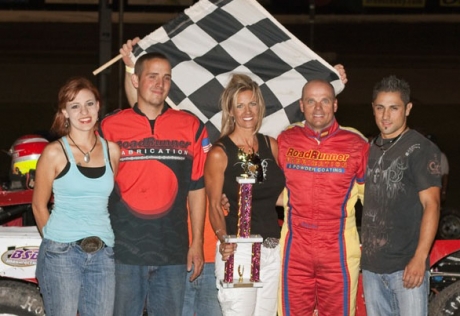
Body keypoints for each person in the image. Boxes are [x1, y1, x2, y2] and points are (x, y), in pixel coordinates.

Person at [100, 51, 208, 316]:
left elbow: (197, 189)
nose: (160, 84)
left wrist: (196, 245)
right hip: (122, 252)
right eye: (152, 76)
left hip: (173, 252)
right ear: (135, 80)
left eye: (166, 78)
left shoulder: (190, 125)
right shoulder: (109, 127)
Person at [277, 79, 369, 316]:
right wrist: (234, 198)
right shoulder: (285, 140)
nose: (318, 108)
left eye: (325, 100)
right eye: (311, 101)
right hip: (295, 251)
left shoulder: (356, 144)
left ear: (335, 104)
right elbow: (265, 187)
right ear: (301, 105)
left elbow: (375, 203)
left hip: (338, 253)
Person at [32, 77, 120, 316]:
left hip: (103, 254)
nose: (84, 112)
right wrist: (54, 241)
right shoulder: (53, 153)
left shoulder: (112, 150)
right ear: (64, 113)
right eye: (75, 106)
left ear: (98, 106)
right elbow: (39, 205)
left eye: (89, 103)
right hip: (62, 255)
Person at [205, 74, 286, 316]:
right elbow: (214, 205)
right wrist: (223, 238)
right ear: (231, 110)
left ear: (260, 106)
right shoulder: (220, 153)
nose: (247, 111)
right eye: (240, 105)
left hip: (273, 249)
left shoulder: (271, 145)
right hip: (239, 249)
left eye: (252, 103)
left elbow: (278, 195)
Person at [360, 75, 442, 315]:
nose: (386, 116)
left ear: (407, 109)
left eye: (393, 108)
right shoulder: (368, 148)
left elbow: (432, 206)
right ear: (373, 109)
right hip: (372, 268)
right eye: (380, 108)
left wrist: (420, 258)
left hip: (406, 268)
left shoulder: (421, 149)